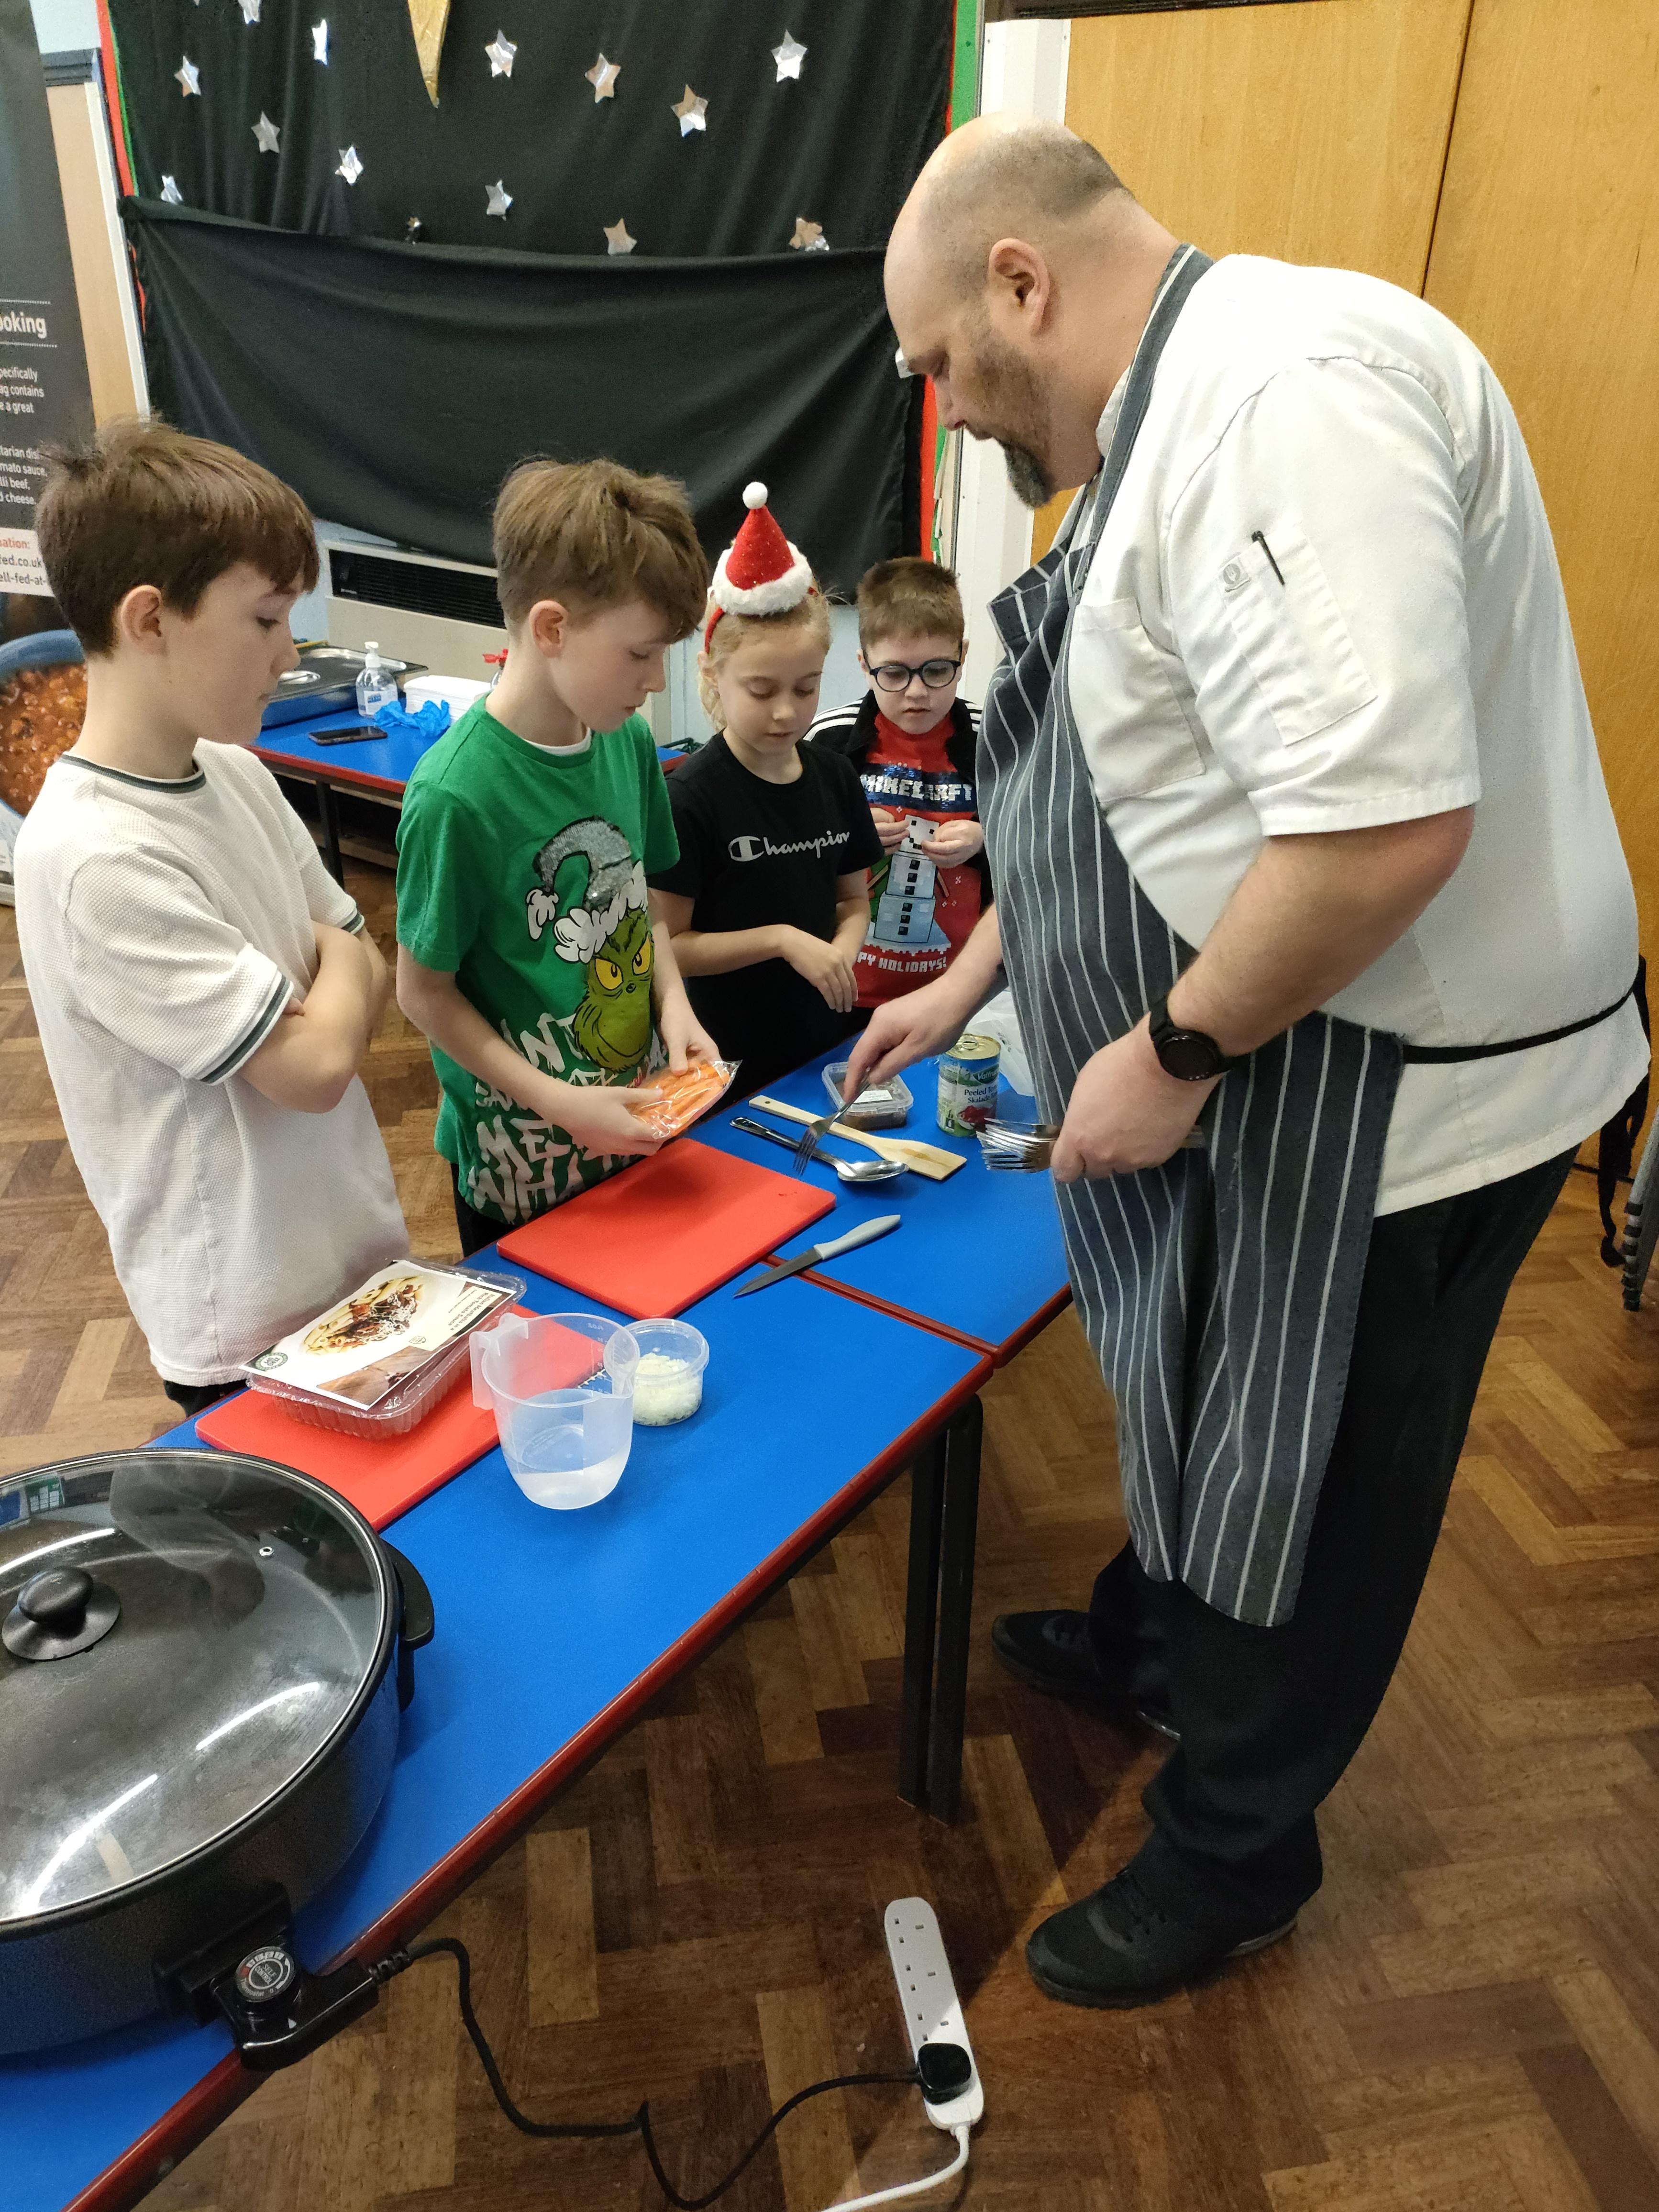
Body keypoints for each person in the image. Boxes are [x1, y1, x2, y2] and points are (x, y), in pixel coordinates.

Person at [851, 116, 1649, 2009]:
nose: (950, 412)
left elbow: (1378, 833)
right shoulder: (1163, 423)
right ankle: (1158, 1644)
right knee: (1203, 1379)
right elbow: (1133, 785)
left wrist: (1171, 1048)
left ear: (1020, 282)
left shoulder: (1281, 399)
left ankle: (1236, 1847)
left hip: (1396, 1093)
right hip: (1276, 1054)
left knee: (1318, 1467)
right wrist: (979, 981)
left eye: (944, 364)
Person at [14, 419, 406, 1416]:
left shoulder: (232, 767)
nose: (289, 653)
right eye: (265, 619)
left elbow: (365, 957)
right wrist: (334, 959)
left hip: (350, 1257)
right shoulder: (95, 854)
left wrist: (336, 961)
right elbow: (317, 1066)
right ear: (151, 618)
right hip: (243, 1315)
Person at [396, 458, 717, 1257]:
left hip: (634, 1129)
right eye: (639, 654)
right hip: (520, 1169)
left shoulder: (628, 741)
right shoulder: (454, 795)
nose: (655, 681)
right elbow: (423, 993)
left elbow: (643, 906)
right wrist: (557, 1102)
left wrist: (674, 1005)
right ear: (551, 628)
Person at [648, 485, 883, 1097]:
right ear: (713, 674)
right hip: (726, 1057)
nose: (786, 712)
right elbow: (670, 945)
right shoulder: (691, 797)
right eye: (762, 691)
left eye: (806, 688)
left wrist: (842, 951)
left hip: (824, 1045)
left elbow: (853, 903)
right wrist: (783, 941)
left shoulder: (835, 776)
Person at [807, 557, 990, 1013]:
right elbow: (790, 850)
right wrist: (846, 833)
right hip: (845, 991)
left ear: (963, 656)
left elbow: (1032, 849)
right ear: (864, 665)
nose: (916, 692)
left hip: (953, 997)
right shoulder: (827, 739)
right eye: (893, 673)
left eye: (937, 670)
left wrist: (987, 839)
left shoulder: (992, 740)